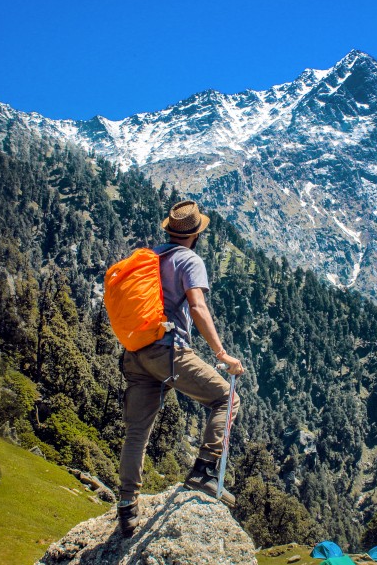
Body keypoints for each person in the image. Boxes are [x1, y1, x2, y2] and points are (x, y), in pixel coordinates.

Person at [116, 200, 244, 537]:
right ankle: (203, 471)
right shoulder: (189, 259)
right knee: (225, 399)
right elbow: (198, 307)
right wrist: (222, 354)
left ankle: (127, 507)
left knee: (137, 432)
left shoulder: (152, 257)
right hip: (168, 352)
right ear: (195, 234)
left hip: (136, 353)